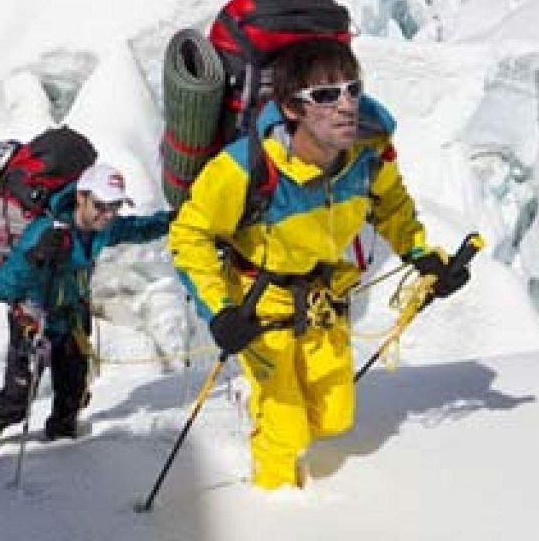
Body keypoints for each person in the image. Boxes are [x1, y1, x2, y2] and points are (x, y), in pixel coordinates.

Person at [169, 37, 470, 491]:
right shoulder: (244, 169)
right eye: (325, 96)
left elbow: (392, 207)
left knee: (333, 418)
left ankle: (270, 415)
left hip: (322, 299)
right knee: (286, 428)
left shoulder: (367, 155)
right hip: (259, 304)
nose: (346, 104)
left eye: (352, 88)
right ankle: (273, 505)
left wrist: (424, 258)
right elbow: (188, 233)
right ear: (292, 109)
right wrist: (221, 312)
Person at [0, 163, 172, 462]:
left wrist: (176, 220)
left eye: (115, 206)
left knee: (71, 393)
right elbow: (1, 287)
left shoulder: (102, 228)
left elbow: (138, 228)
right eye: (101, 205)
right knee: (18, 398)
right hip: (33, 321)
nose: (108, 214)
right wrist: (35, 257)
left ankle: (63, 455)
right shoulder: (45, 231)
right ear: (81, 197)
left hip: (72, 317)